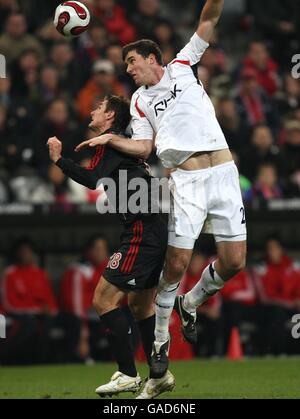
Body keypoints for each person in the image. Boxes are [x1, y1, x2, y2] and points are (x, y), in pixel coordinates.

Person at [76, 0, 247, 388]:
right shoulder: (138, 102)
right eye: (127, 66)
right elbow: (144, 148)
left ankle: (190, 304)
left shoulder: (184, 65)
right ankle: (158, 350)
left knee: (234, 262)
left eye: (133, 62)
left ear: (153, 58)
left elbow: (209, 18)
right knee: (175, 265)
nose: (129, 70)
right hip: (184, 181)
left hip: (222, 174)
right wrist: (110, 138)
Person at [47, 95, 173, 399]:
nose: (91, 111)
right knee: (140, 306)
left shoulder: (110, 142)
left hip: (141, 232)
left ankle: (128, 374)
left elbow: (92, 180)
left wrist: (58, 160)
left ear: (110, 116)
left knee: (103, 299)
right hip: (152, 228)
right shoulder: (122, 143)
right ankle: (160, 373)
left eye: (98, 108)